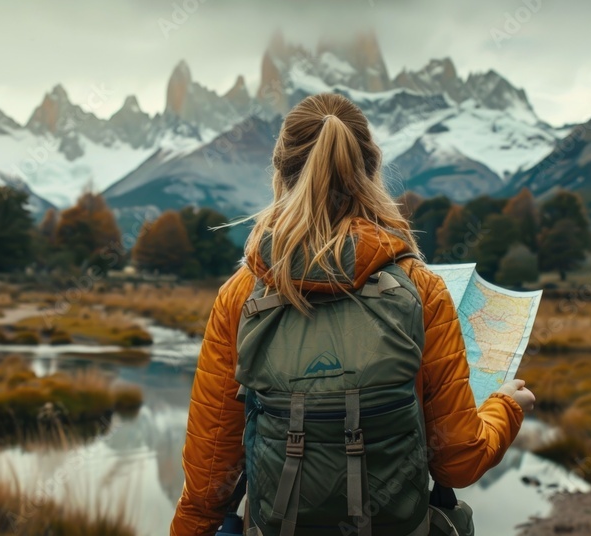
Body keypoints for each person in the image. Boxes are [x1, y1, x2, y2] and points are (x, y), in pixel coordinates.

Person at [170, 92, 535, 536]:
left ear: (280, 172)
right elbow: (457, 461)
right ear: (372, 170)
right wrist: (506, 408)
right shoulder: (423, 290)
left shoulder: (241, 295)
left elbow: (210, 484)